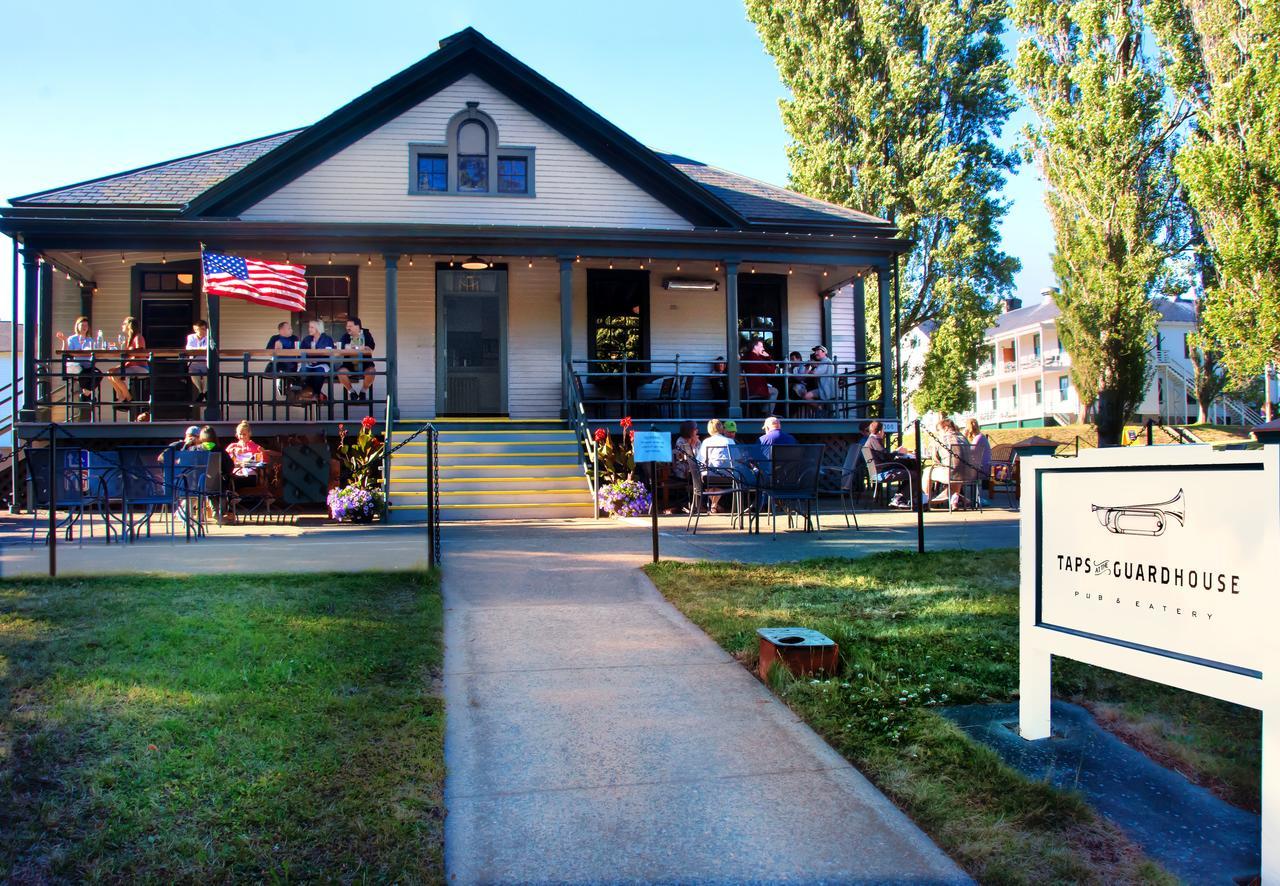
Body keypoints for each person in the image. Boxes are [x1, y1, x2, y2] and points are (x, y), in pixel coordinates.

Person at [862, 419, 922, 508]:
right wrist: (897, 451)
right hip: (882, 472)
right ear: (880, 431)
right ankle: (900, 498)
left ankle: (900, 497)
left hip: (877, 470)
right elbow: (886, 457)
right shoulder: (874, 439)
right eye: (883, 430)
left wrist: (895, 454)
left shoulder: (869, 440)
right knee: (915, 474)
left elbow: (883, 456)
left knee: (909, 470)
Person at [925, 417, 973, 509]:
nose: (938, 432)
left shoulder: (941, 438)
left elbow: (935, 458)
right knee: (957, 470)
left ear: (946, 428)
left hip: (951, 473)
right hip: (969, 474)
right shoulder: (963, 438)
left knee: (927, 472)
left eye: (938, 430)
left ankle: (927, 499)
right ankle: (954, 501)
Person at [696, 418, 736, 513]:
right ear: (721, 428)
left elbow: (700, 460)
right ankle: (715, 505)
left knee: (708, 478)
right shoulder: (729, 441)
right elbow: (736, 459)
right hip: (727, 475)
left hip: (710, 476)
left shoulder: (706, 442)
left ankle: (714, 505)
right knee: (717, 480)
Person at [107, 316, 147, 407]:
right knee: (109, 372)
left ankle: (128, 397)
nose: (122, 326)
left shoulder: (138, 337)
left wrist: (127, 357)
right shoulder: (130, 338)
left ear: (129, 325)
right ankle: (121, 395)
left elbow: (140, 353)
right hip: (131, 366)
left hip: (140, 367)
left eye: (124, 324)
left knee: (114, 374)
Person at [62, 316, 100, 401]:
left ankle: (86, 393)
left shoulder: (90, 340)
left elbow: (95, 353)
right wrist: (65, 341)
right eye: (82, 325)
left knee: (98, 374)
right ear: (77, 326)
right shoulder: (72, 339)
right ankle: (87, 395)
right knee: (84, 373)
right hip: (77, 364)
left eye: (86, 325)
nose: (84, 327)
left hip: (88, 365)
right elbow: (68, 352)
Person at [337, 316, 377, 400]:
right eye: (347, 326)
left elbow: (371, 347)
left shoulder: (366, 334)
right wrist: (358, 347)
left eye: (350, 326)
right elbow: (341, 347)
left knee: (372, 371)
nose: (348, 328)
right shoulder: (345, 336)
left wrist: (352, 347)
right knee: (341, 372)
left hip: (365, 363)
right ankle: (351, 392)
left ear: (358, 326)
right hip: (349, 364)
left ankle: (363, 391)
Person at [667, 420, 700, 514]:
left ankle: (699, 503)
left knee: (702, 477)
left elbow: (699, 457)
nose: (697, 431)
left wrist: (695, 444)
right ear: (689, 430)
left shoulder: (697, 440)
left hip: (695, 468)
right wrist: (692, 445)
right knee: (696, 477)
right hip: (682, 468)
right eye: (695, 429)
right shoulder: (680, 441)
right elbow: (685, 458)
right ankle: (690, 504)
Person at [740, 338, 779, 416]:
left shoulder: (746, 357)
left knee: (770, 388)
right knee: (774, 391)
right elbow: (771, 371)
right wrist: (768, 357)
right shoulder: (755, 359)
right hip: (756, 389)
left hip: (746, 388)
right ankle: (767, 413)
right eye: (761, 346)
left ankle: (763, 412)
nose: (763, 349)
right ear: (755, 347)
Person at [298, 320, 336, 400]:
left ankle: (316, 394)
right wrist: (308, 360)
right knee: (303, 371)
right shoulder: (307, 339)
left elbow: (330, 353)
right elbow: (301, 352)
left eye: (312, 327)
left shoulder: (327, 339)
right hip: (308, 363)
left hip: (322, 363)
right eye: (309, 327)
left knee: (318, 371)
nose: (309, 329)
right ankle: (315, 394)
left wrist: (318, 360)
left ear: (318, 328)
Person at [226, 420, 266, 489]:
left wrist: (246, 464)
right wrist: (233, 452)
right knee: (227, 480)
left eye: (244, 434)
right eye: (240, 434)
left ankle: (236, 497)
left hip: (250, 475)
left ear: (249, 434)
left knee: (234, 482)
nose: (242, 436)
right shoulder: (232, 446)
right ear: (237, 435)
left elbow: (261, 463)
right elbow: (225, 460)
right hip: (235, 474)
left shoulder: (256, 447)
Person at [266, 321, 300, 397]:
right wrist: (275, 348)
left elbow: (298, 351)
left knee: (290, 374)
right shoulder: (275, 338)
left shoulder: (294, 338)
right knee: (276, 369)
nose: (292, 330)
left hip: (291, 364)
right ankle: (283, 392)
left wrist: (283, 349)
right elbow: (268, 351)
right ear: (282, 330)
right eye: (289, 328)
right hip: (278, 364)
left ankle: (288, 392)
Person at [964, 417, 993, 505]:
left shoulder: (978, 438)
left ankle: (960, 498)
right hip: (983, 466)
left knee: (958, 472)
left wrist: (964, 437)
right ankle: (962, 498)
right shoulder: (980, 437)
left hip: (981, 469)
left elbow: (969, 452)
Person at [804, 345, 837, 413]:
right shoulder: (825, 362)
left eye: (817, 351)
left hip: (827, 389)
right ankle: (820, 411)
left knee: (806, 396)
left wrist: (810, 368)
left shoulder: (826, 361)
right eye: (815, 351)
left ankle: (820, 410)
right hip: (825, 388)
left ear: (824, 352)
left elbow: (815, 373)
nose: (815, 353)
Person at [186, 320, 209, 402]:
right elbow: (189, 348)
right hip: (194, 362)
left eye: (204, 329)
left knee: (208, 375)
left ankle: (202, 393)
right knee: (193, 374)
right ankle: (202, 392)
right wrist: (201, 350)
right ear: (195, 329)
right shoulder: (191, 337)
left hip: (205, 362)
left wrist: (198, 350)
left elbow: (208, 348)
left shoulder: (209, 337)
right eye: (200, 329)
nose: (202, 331)